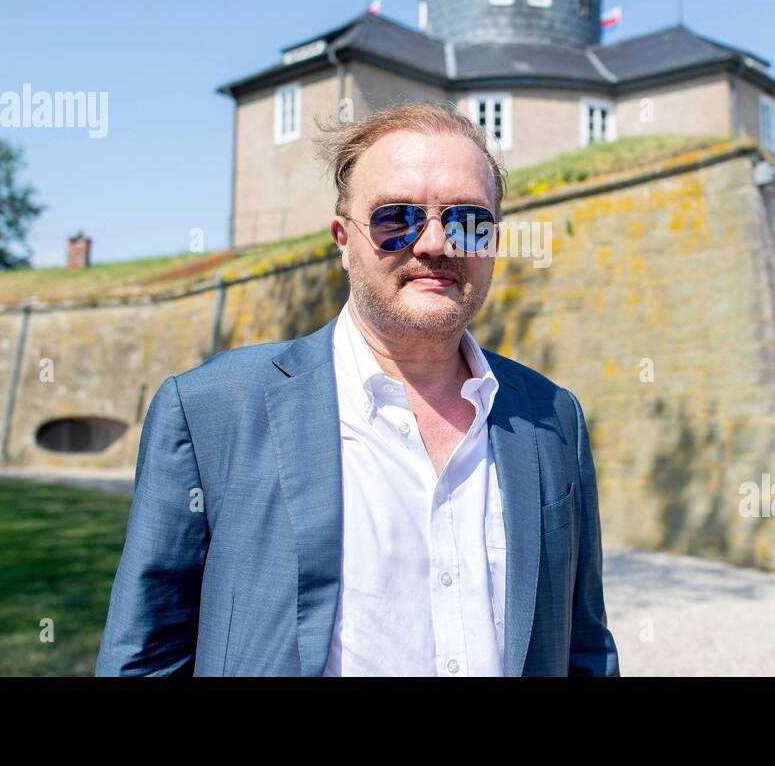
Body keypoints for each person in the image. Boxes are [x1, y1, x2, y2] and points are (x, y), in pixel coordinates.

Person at [96, 101, 618, 676]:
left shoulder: (550, 418)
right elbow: (146, 658)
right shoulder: (212, 411)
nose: (435, 244)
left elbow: (583, 650)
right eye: (397, 218)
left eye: (468, 221)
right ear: (343, 240)